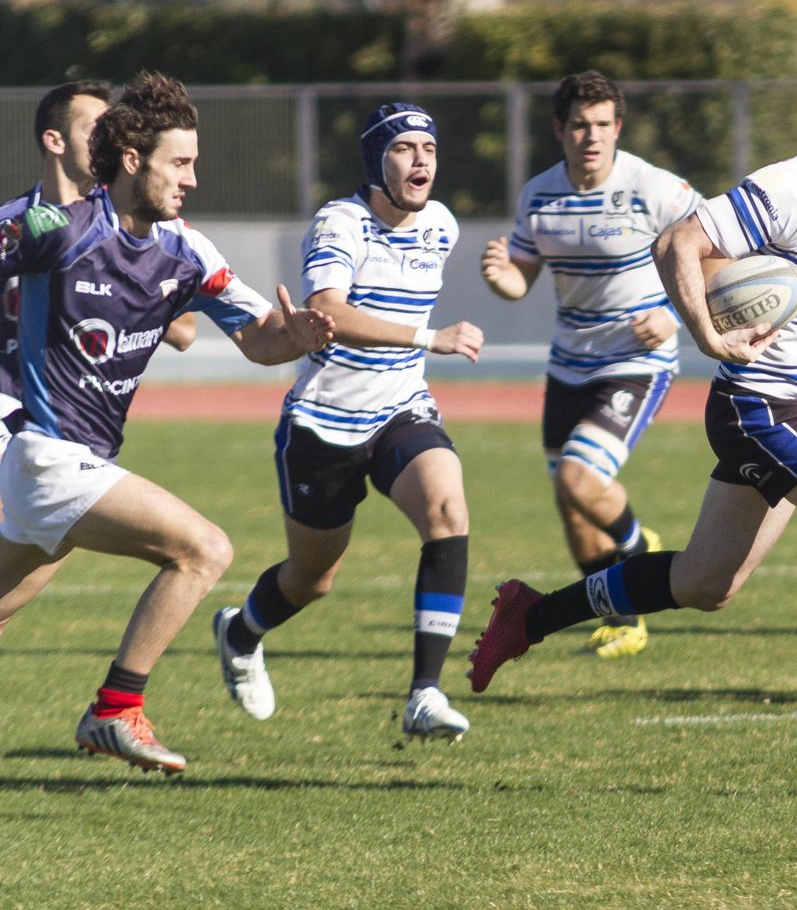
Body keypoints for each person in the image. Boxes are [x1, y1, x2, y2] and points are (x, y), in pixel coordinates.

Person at [469, 63, 797, 770]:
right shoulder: (796, 185)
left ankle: (530, 614)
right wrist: (705, 333)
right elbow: (677, 243)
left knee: (707, 584)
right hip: (760, 402)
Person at [0, 71, 334, 772]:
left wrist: (296, 336)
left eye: (194, 165)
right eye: (179, 164)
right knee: (203, 550)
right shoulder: (58, 229)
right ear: (132, 162)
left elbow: (258, 338)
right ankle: (115, 711)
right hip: (47, 456)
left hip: (71, 465)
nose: (191, 180)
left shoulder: (186, 252)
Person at [212, 103, 484, 742]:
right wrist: (428, 336)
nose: (421, 161)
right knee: (313, 579)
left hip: (400, 409)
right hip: (324, 425)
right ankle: (240, 630)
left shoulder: (440, 225)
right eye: (403, 149)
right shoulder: (341, 223)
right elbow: (328, 306)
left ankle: (425, 693)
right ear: (374, 160)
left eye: (429, 149)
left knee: (448, 509)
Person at [480, 71, 702, 659]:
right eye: (580, 124)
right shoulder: (539, 194)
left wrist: (674, 317)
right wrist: (500, 274)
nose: (591, 135)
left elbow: (718, 251)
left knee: (582, 480)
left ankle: (636, 548)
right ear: (560, 129)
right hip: (568, 364)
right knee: (570, 503)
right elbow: (520, 277)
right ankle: (626, 618)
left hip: (636, 359)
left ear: (618, 128)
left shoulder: (655, 189)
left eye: (603, 124)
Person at [1, 83, 197, 457]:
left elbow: (185, 332)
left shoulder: (131, 222)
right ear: (55, 141)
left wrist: (106, 289)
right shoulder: (17, 223)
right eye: (96, 130)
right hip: (14, 411)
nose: (110, 139)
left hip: (82, 426)